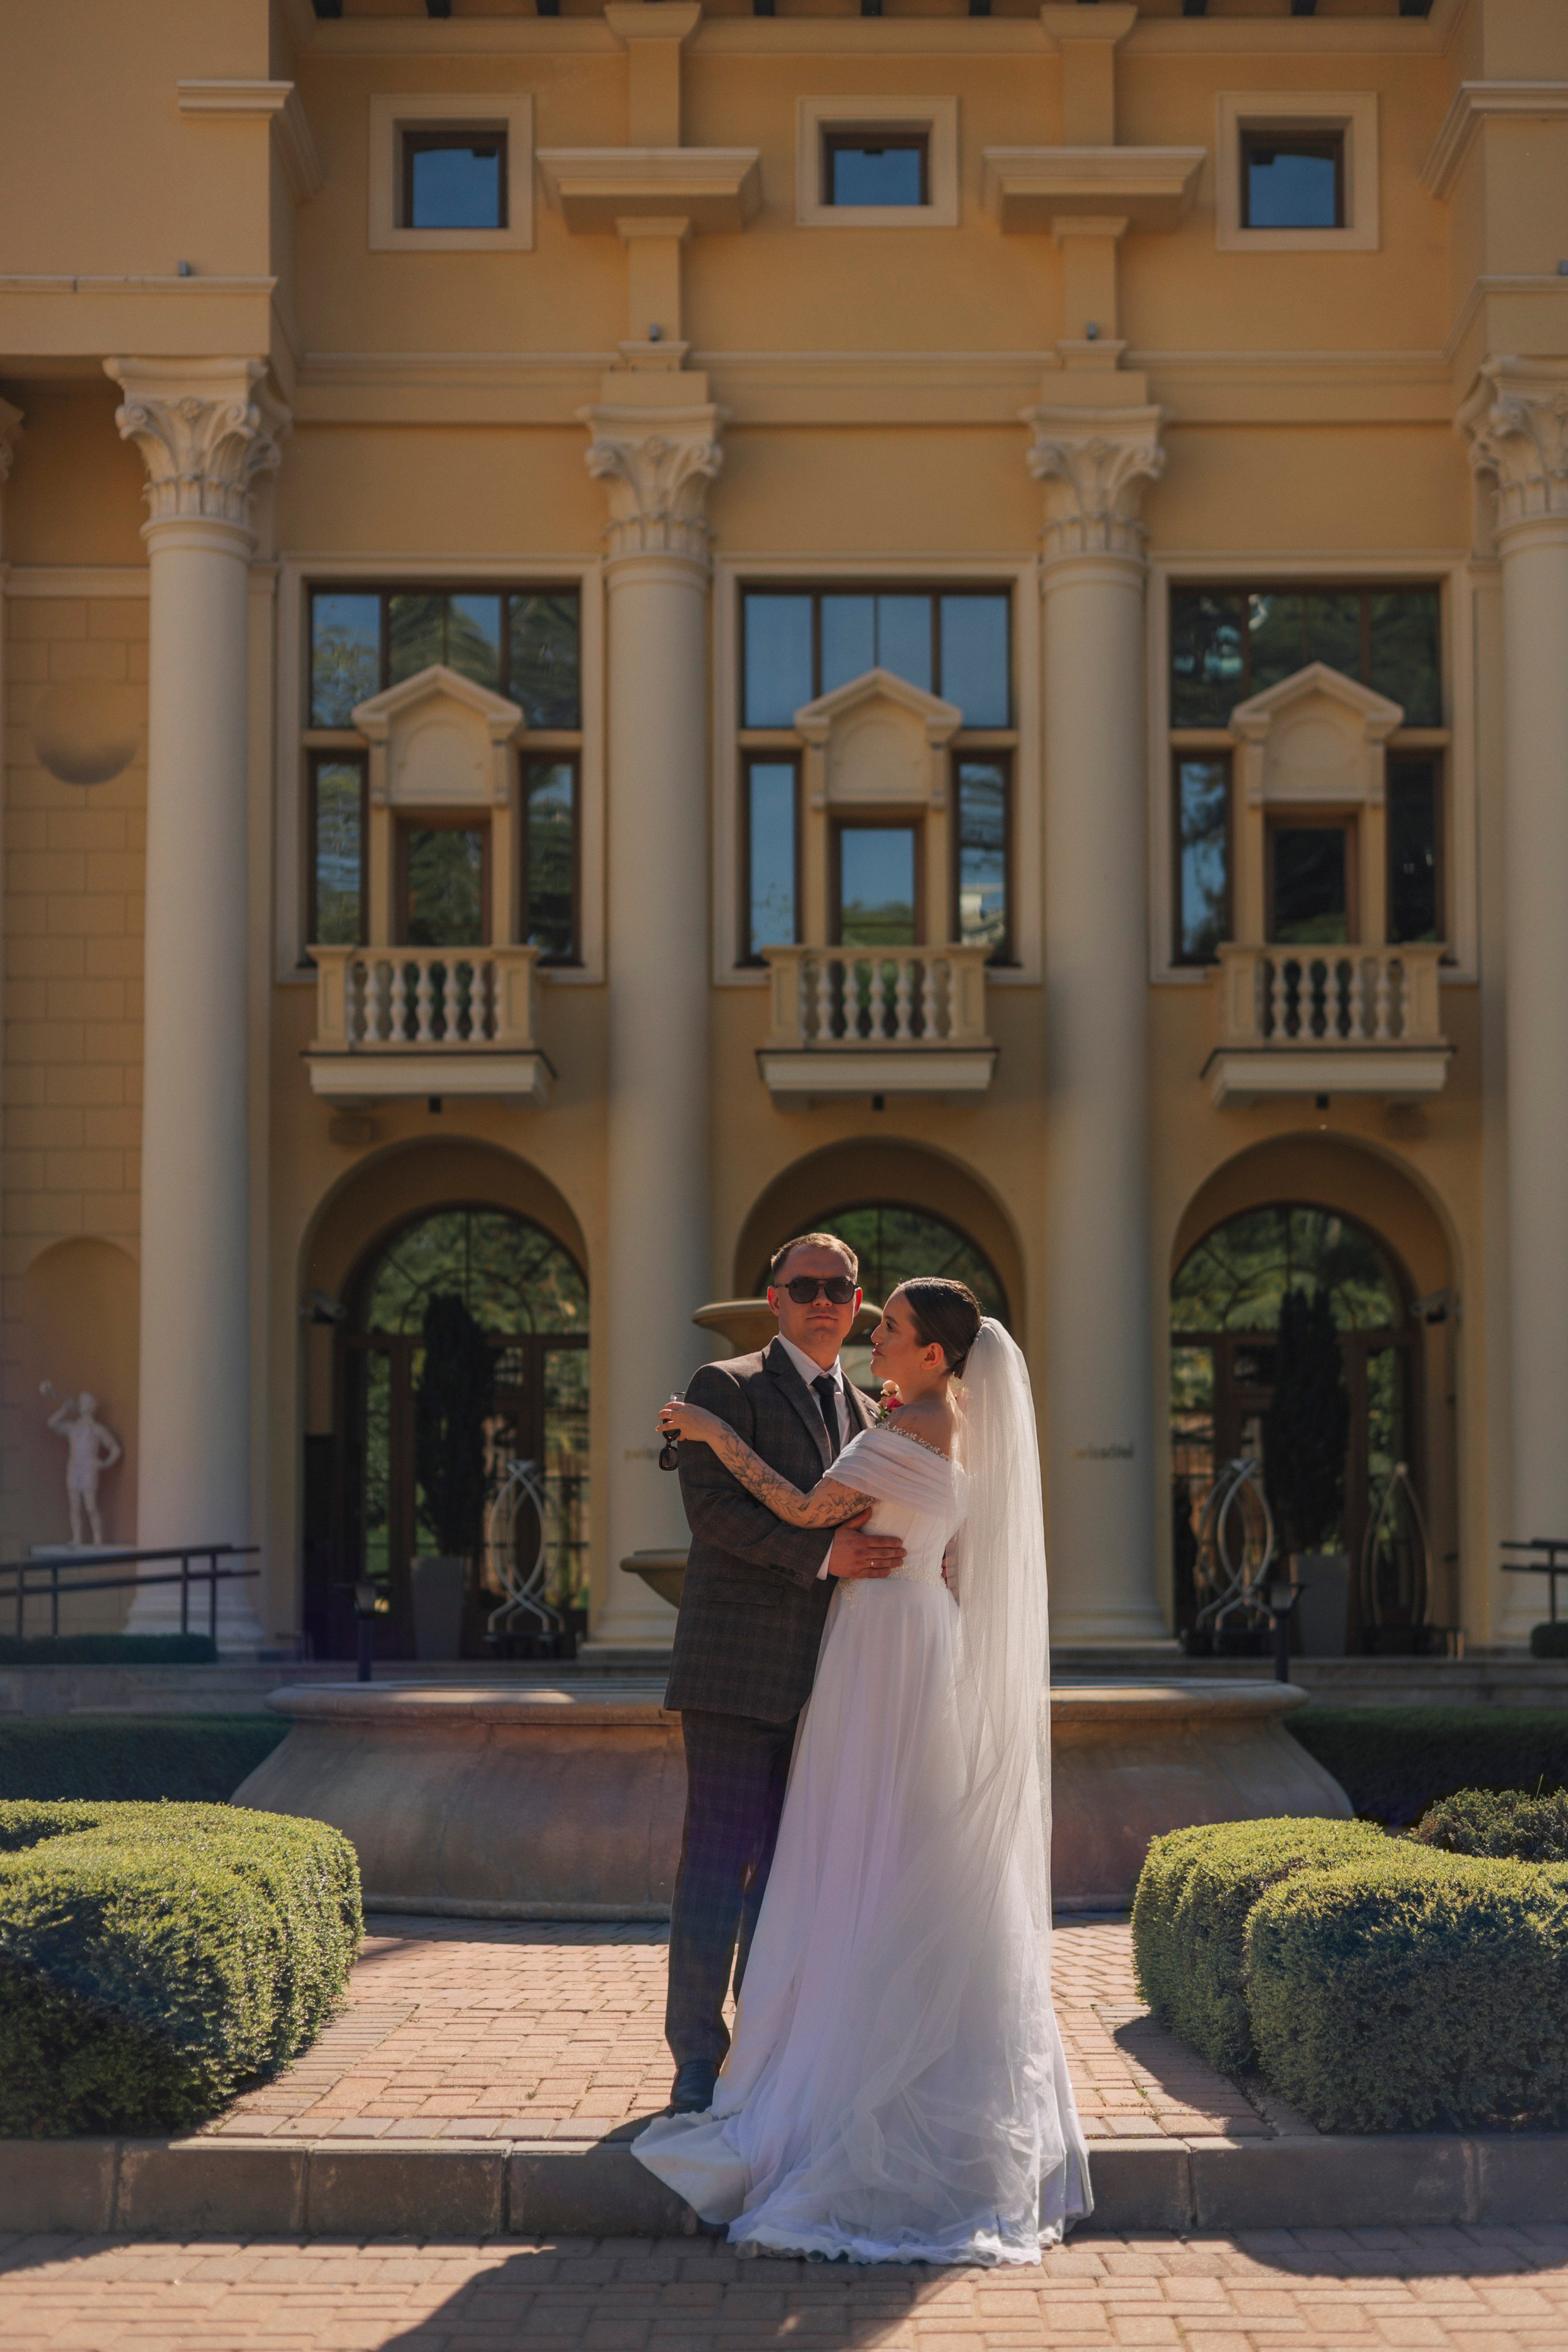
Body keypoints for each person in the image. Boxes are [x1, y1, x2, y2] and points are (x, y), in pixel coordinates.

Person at [635, 1277, 1092, 2266]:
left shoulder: (900, 1425)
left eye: (885, 1324)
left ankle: (816, 2058)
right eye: (859, 1312)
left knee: (854, 1843)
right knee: (895, 1849)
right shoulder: (963, 1423)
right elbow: (963, 1560)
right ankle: (808, 2042)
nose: (867, 1332)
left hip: (876, 1645)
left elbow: (804, 1507)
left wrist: (714, 1436)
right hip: (919, 1637)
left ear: (933, 1355)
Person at [660, 1234, 908, 2118]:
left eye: (839, 1287)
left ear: (858, 1300)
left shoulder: (872, 1413)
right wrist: (824, 1557)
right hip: (735, 1674)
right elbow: (713, 1515)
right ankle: (696, 2060)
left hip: (833, 1686)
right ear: (773, 1298)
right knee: (717, 1870)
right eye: (804, 1286)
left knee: (794, 1876)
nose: (823, 1300)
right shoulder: (720, 1387)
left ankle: (763, 2048)